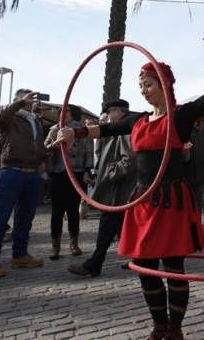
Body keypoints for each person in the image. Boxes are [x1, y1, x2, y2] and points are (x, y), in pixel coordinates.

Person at [55, 33, 204, 340]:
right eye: (141, 86)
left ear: (164, 84)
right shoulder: (138, 121)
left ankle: (175, 329)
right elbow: (104, 128)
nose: (144, 91)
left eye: (148, 84)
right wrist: (72, 132)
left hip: (172, 201)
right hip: (144, 202)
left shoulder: (181, 117)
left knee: (173, 266)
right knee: (145, 266)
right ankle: (159, 327)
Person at [0, 89, 48, 279]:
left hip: (32, 173)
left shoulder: (35, 120)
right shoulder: (11, 117)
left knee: (26, 217)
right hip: (12, 171)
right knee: (1, 217)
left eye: (31, 99)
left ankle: (20, 254)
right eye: (27, 99)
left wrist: (44, 160)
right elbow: (0, 119)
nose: (31, 102)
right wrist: (19, 103)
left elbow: (39, 144)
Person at [68, 99, 135, 278]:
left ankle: (94, 264)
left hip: (118, 188)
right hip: (117, 187)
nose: (107, 114)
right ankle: (138, 260)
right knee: (121, 225)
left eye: (110, 110)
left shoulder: (125, 129)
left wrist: (110, 174)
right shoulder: (117, 129)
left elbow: (128, 159)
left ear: (119, 111)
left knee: (107, 226)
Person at [44, 105, 93, 260]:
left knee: (73, 211)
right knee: (56, 212)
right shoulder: (55, 128)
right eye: (61, 112)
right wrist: (53, 145)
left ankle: (74, 243)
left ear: (73, 114)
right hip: (58, 174)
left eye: (67, 112)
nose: (64, 115)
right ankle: (55, 246)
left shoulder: (82, 129)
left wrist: (87, 170)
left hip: (76, 173)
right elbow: (45, 146)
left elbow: (89, 152)